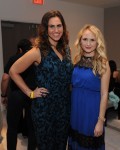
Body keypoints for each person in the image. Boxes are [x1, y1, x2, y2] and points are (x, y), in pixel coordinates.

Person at [9, 10, 73, 150]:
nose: (56, 30)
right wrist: (30, 93)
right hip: (45, 109)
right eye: (52, 26)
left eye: (59, 25)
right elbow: (13, 71)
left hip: (64, 107)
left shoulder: (66, 49)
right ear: (45, 29)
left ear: (63, 27)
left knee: (62, 145)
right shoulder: (38, 51)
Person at [68, 24, 110, 150]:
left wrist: (100, 121)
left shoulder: (103, 63)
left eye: (92, 40)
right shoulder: (76, 60)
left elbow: (104, 94)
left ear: (98, 42)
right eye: (85, 39)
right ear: (80, 41)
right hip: (76, 111)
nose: (88, 43)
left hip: (91, 112)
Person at [1, 39, 37, 150]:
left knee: (12, 128)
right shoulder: (35, 58)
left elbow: (5, 78)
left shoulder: (13, 58)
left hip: (16, 96)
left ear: (20, 49)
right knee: (32, 128)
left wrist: (3, 95)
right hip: (32, 95)